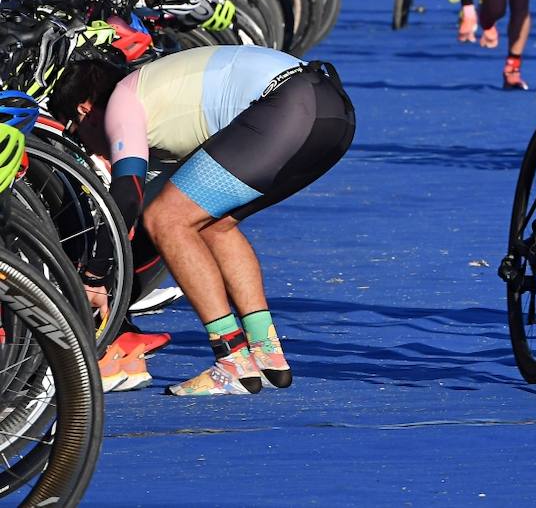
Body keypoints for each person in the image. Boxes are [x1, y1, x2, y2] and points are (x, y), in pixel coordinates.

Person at [48, 46, 356, 396]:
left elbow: (129, 197)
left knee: (168, 219)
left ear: (84, 110)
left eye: (75, 134)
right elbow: (136, 227)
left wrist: (94, 277)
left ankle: (232, 361)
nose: (86, 149)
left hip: (289, 105)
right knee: (212, 224)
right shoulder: (161, 107)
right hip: (332, 112)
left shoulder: (123, 100)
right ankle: (266, 353)